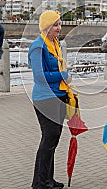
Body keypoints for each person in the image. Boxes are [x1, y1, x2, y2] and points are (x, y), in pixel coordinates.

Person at [28, 10, 70, 189]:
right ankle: (39, 182)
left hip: (59, 96)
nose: (59, 28)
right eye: (55, 25)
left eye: (60, 24)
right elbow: (39, 76)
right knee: (49, 138)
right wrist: (62, 75)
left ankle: (48, 179)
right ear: (45, 26)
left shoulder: (55, 44)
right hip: (45, 98)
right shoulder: (38, 46)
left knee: (53, 139)